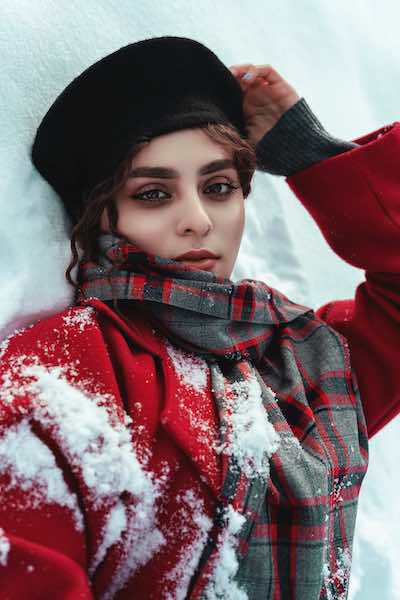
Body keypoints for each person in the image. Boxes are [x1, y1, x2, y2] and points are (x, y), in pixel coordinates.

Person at [0, 35, 399, 600]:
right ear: (102, 216)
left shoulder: (303, 361)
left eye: (218, 187)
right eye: (154, 194)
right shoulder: (68, 368)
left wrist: (311, 153)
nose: (198, 221)